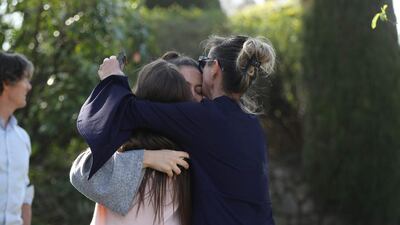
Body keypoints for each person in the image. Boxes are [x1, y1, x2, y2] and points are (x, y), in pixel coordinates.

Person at [77, 35, 276, 225]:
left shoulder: (204, 120)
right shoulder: (252, 126)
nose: (189, 99)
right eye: (183, 86)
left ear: (214, 68)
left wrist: (113, 77)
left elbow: (127, 110)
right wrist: (145, 158)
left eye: (203, 62)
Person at [71, 53, 203, 225]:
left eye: (199, 90)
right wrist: (146, 158)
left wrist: (114, 83)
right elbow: (84, 173)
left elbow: (83, 173)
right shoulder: (124, 149)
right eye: (186, 88)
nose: (193, 98)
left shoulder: (122, 150)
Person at [0, 52, 34, 225]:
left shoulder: (22, 138)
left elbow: (25, 193)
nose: (29, 86)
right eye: (25, 79)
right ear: (7, 82)